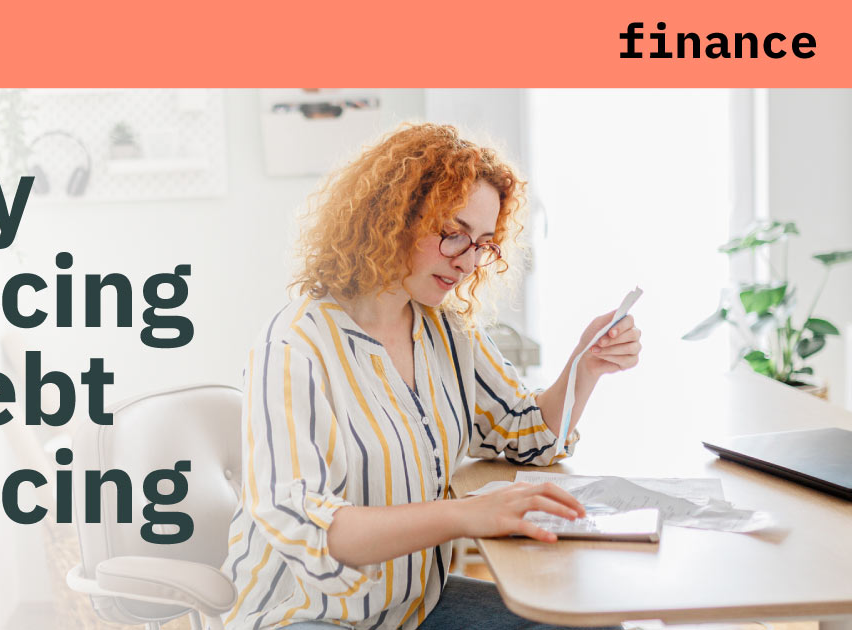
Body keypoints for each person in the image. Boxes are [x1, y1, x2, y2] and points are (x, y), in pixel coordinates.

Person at [220, 123, 641, 630]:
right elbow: (312, 528)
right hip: (306, 617)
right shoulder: (291, 349)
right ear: (392, 218)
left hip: (412, 607)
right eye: (453, 234)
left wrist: (585, 366)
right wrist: (465, 516)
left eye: (483, 243)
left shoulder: (446, 328)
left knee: (594, 623)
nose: (467, 262)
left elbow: (529, 436)